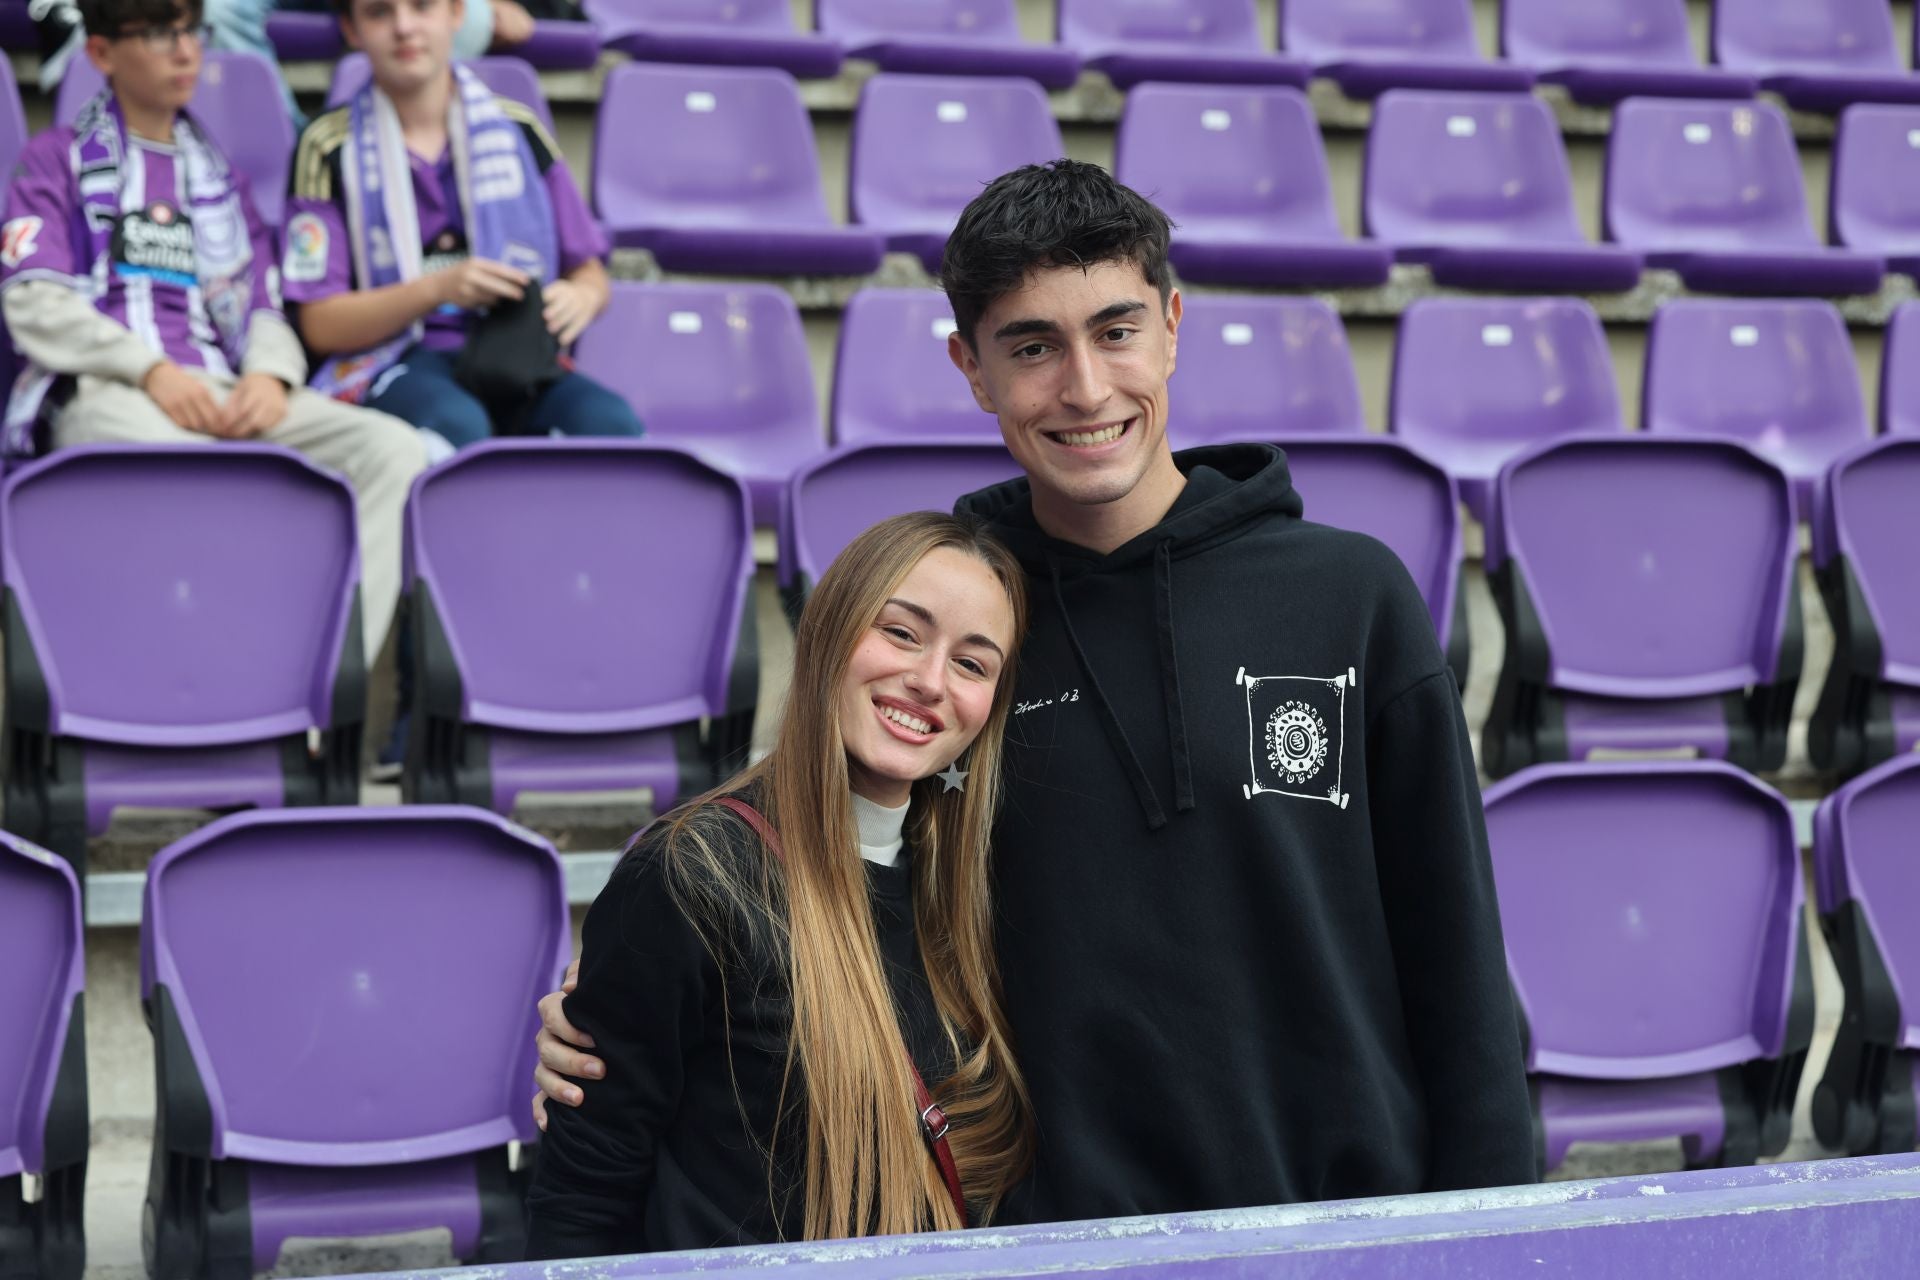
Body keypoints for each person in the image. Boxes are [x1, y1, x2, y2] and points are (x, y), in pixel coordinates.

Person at [535, 161, 1536, 1221]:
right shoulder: (964, 631)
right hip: (1052, 1239)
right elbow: (832, 872)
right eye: (1031, 347)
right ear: (971, 368)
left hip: (1344, 1227)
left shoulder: (1353, 596)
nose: (1086, 388)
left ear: (1172, 327)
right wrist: (629, 1002)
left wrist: (1494, 1235)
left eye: (1116, 331)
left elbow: (1459, 964)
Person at [524, 512, 1035, 1257]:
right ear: (829, 632)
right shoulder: (693, 873)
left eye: (972, 664)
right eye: (901, 633)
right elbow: (583, 1197)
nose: (930, 682)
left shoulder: (979, 884)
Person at [0, 0, 427, 662]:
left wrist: (268, 376)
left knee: (393, 450)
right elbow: (33, 300)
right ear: (101, 53)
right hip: (109, 391)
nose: (186, 51)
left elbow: (265, 304)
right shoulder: (56, 158)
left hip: (223, 390)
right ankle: (205, 675)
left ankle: (318, 680)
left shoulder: (218, 174)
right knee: (181, 462)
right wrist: (150, 370)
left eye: (191, 31)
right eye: (158, 33)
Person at [282, 0, 642, 455]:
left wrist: (582, 296)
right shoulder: (326, 145)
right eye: (379, 12)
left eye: (422, 6)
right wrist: (436, 290)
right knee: (456, 424)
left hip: (514, 355)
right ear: (351, 30)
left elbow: (588, 271)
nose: (404, 27)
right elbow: (319, 325)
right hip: (393, 360)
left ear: (456, 13)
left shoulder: (519, 130)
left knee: (610, 423)